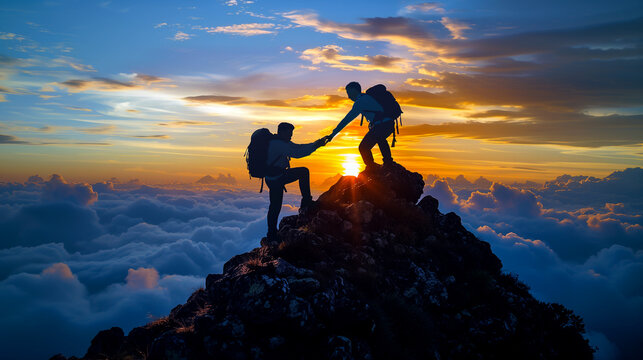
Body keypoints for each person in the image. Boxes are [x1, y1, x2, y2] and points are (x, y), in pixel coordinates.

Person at [265, 122, 329, 240]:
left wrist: (316, 143)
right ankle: (306, 202)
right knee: (303, 172)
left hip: (273, 177)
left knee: (275, 206)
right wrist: (316, 145)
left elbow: (298, 147)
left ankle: (271, 233)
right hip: (277, 178)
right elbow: (298, 153)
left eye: (291, 133)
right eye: (289, 133)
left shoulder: (280, 141)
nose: (291, 135)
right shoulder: (278, 144)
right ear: (282, 132)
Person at [327, 81, 395, 170]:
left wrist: (332, 134)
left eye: (349, 93)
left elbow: (346, 120)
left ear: (354, 90)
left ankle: (373, 167)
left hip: (382, 124)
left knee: (363, 147)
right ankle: (387, 162)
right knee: (379, 138)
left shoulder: (360, 102)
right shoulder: (366, 98)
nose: (348, 96)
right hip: (387, 124)